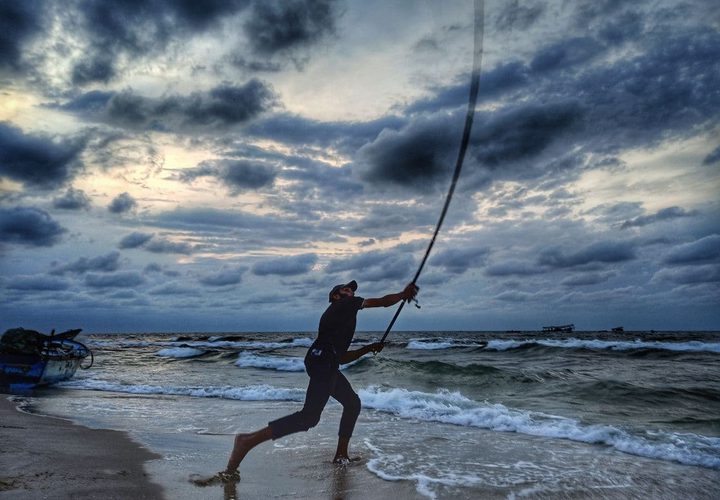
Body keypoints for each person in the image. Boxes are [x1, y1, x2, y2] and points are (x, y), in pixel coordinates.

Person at [219, 280, 418, 481]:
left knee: (352, 403)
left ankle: (341, 455)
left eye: (352, 290)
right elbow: (382, 302)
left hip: (325, 361)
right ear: (335, 296)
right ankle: (247, 440)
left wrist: (368, 348)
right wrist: (403, 294)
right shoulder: (343, 305)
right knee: (309, 418)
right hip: (322, 362)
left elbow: (341, 358)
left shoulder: (342, 318)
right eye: (346, 289)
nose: (351, 292)